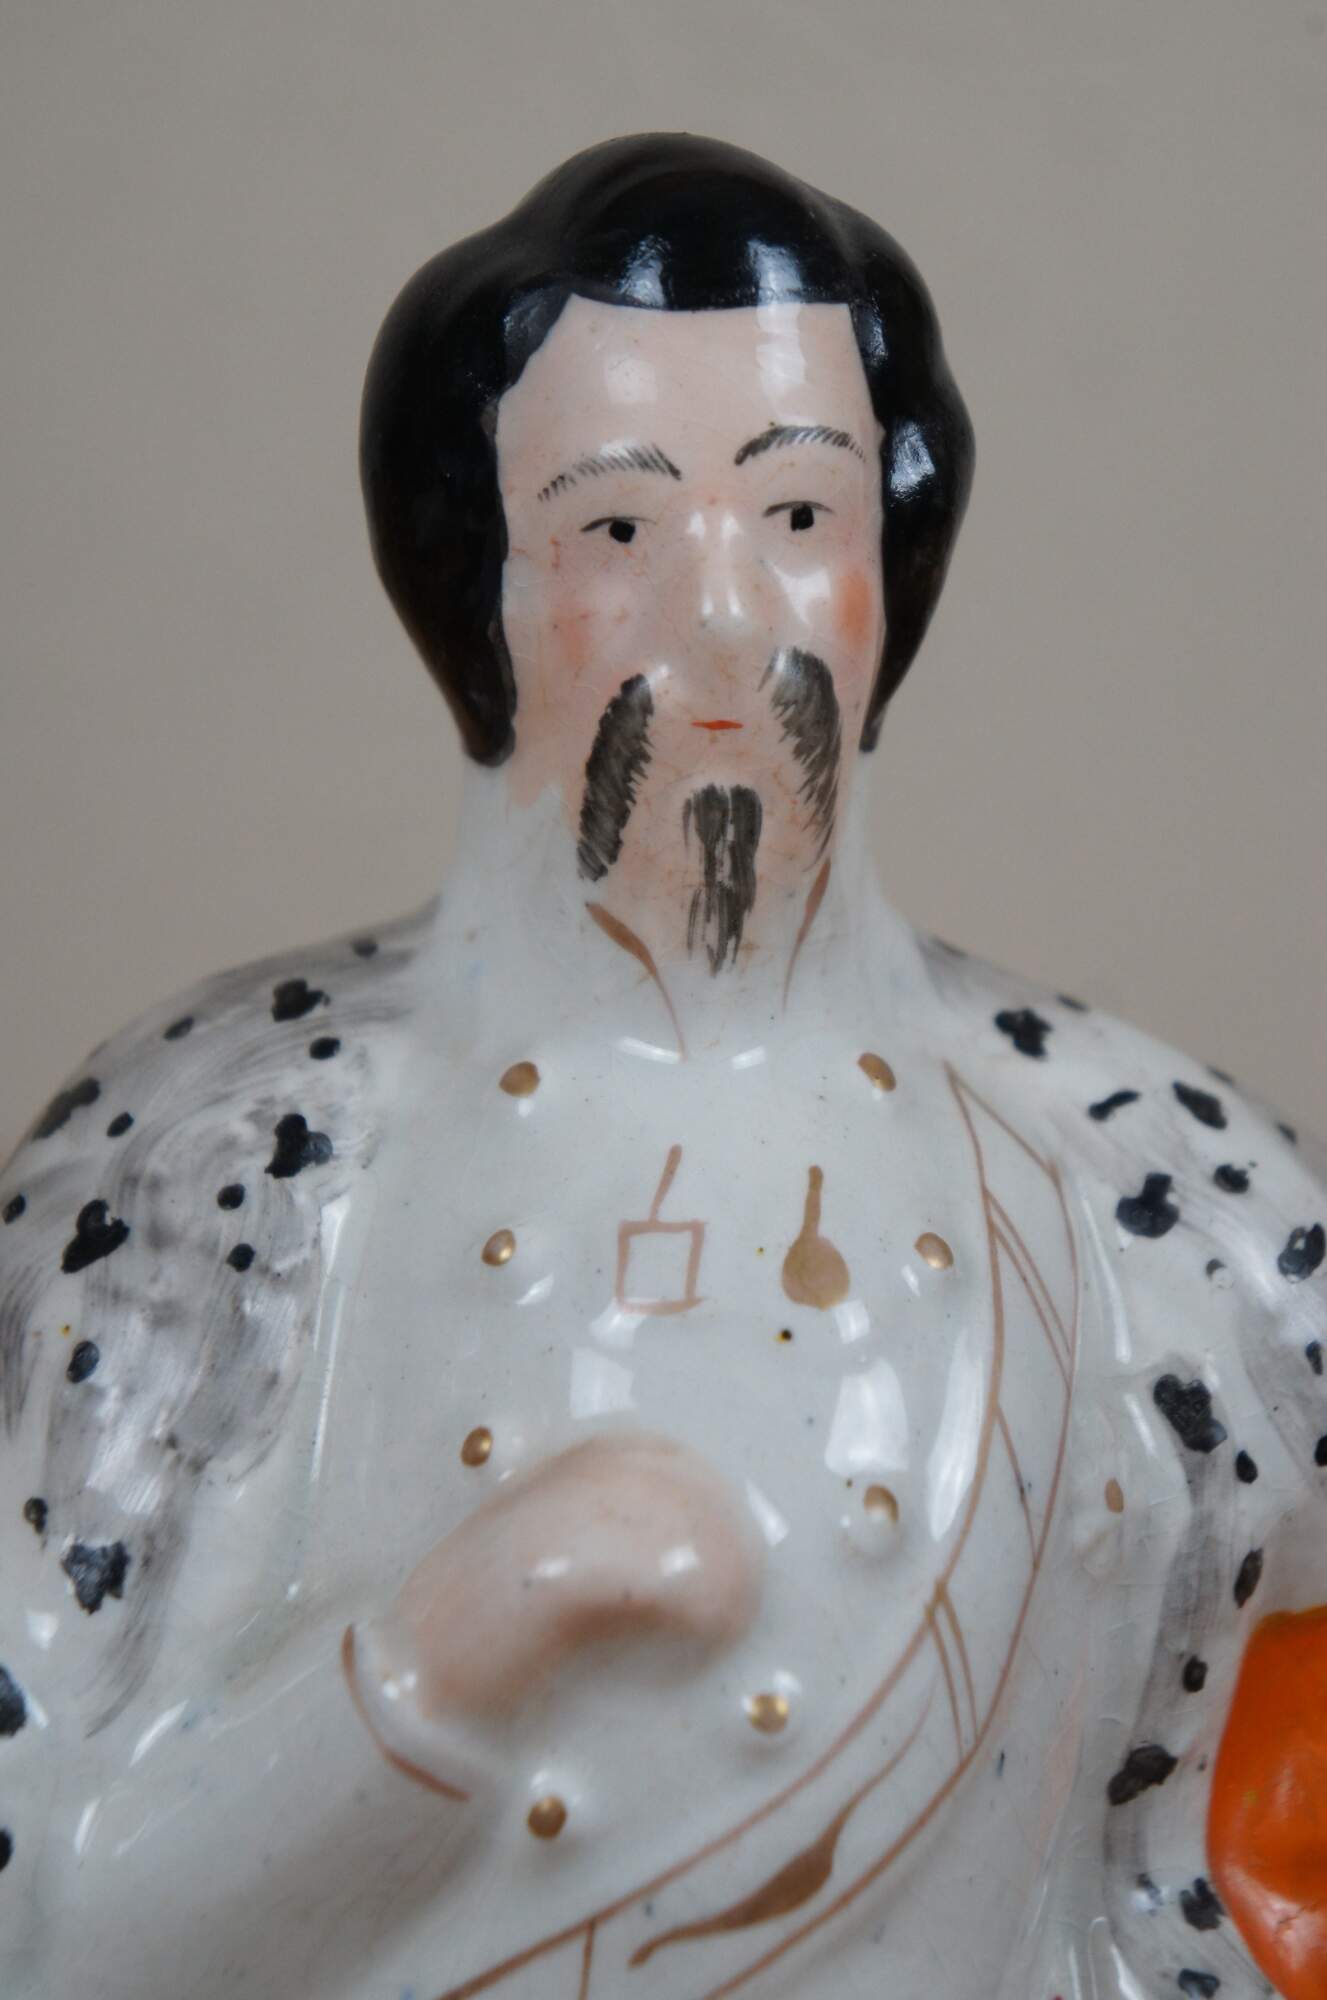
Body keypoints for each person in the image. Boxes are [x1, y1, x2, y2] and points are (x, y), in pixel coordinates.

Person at [0, 134, 1322, 2000]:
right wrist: (447, 1653)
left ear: (888, 574)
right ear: (480, 593)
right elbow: (46, 1914)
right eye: (617, 531)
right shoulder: (226, 1172)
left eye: (798, 515)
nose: (726, 619)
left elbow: (1241, 1895)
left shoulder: (1158, 1204)